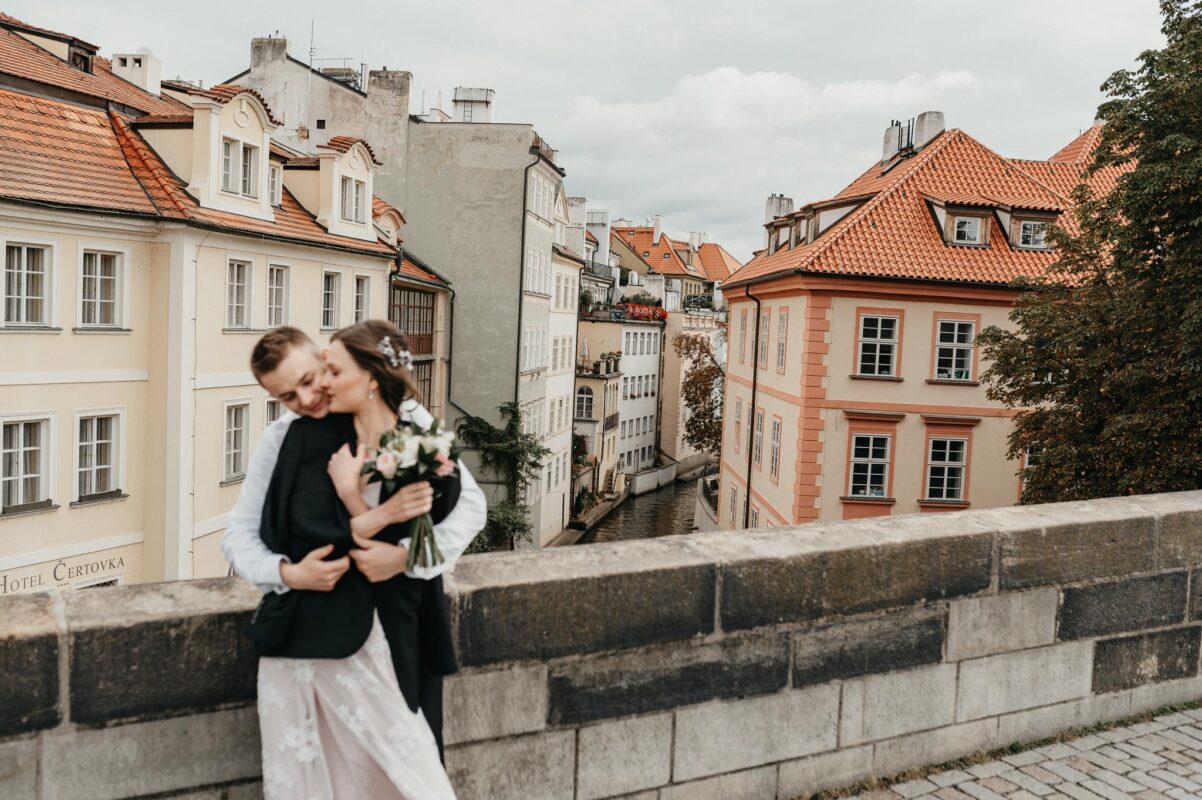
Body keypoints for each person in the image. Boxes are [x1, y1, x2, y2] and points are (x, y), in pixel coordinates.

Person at [223, 324, 484, 798]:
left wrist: (405, 558)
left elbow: (470, 508)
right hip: (311, 630)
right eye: (287, 396)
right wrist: (287, 573)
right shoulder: (284, 438)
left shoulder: (405, 419)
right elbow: (241, 535)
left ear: (327, 363)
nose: (307, 398)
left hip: (397, 630)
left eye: (312, 379)